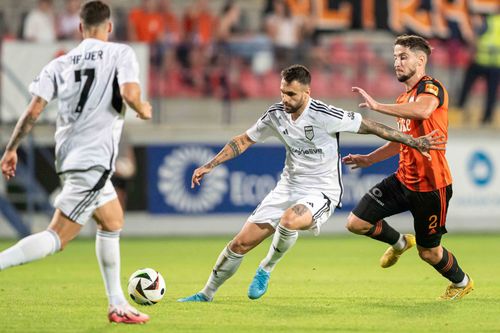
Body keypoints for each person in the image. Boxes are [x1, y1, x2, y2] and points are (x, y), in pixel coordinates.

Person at [178, 64, 445, 302]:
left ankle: (265, 269)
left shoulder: (325, 114)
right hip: (287, 187)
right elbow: (244, 140)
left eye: (291, 94)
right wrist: (209, 164)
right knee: (239, 244)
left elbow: (371, 126)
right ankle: (206, 293)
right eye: (282, 92)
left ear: (307, 93)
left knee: (290, 219)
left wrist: (414, 141)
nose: (285, 98)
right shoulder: (275, 114)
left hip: (322, 191)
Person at [0, 1, 152, 324]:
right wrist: (142, 107)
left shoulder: (61, 63)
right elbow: (129, 92)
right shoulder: (120, 54)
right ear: (108, 27)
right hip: (93, 160)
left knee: (112, 220)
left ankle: (117, 304)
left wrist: (11, 148)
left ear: (80, 28)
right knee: (57, 236)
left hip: (69, 156)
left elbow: (33, 111)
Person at [344, 35, 474, 300]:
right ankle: (400, 242)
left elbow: (425, 111)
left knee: (429, 253)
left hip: (431, 186)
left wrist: (378, 106)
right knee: (356, 223)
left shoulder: (432, 88)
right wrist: (370, 159)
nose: (397, 63)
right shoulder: (404, 100)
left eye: (403, 57)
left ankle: (462, 283)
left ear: (421, 60)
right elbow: (401, 142)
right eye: (395, 57)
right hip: (403, 180)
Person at [457, 13, 500, 125]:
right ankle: (487, 117)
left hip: (481, 60)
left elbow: (475, 37)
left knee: (466, 85)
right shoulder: (492, 20)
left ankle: (459, 109)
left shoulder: (490, 20)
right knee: (492, 91)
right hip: (496, 63)